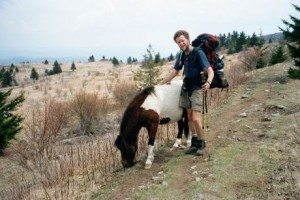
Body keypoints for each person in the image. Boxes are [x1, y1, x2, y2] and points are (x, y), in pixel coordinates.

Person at [159, 30, 214, 156]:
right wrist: (159, 85)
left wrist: (209, 82)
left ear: (188, 39)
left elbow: (210, 70)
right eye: (178, 42)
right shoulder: (181, 55)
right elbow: (174, 72)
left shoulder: (198, 53)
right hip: (186, 88)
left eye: (182, 41)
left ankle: (201, 143)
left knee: (195, 118)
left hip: (197, 88)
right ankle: (194, 142)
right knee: (188, 117)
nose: (181, 44)